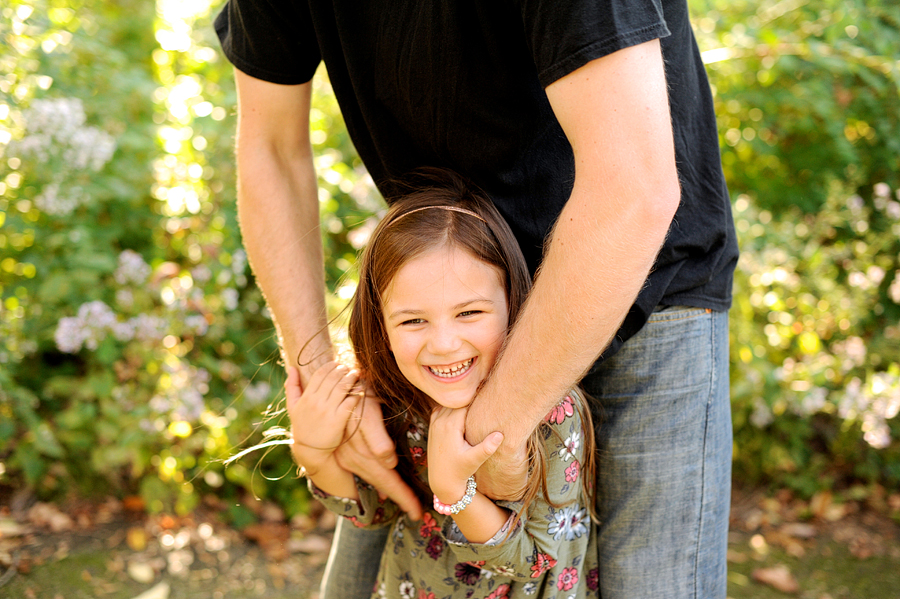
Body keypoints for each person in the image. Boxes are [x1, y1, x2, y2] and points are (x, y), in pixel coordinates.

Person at [215, 1, 739, 597]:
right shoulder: (435, 338)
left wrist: (485, 440)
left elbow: (633, 188)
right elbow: (272, 150)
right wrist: (322, 386)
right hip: (444, 303)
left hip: (644, 283)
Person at [287, 171, 599, 598]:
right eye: (413, 320)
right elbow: (375, 512)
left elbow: (536, 561)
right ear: (381, 325)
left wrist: (457, 493)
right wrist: (314, 452)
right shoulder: (400, 397)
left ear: (514, 304)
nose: (445, 344)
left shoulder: (551, 413)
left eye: (469, 313)